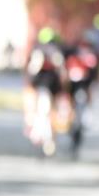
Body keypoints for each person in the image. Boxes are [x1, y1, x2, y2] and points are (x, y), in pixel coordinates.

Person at [23, 26, 67, 155]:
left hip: (45, 86)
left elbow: (31, 71)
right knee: (48, 111)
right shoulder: (53, 52)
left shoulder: (38, 51)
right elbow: (62, 71)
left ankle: (38, 132)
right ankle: (45, 136)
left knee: (41, 110)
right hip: (48, 87)